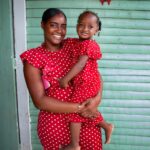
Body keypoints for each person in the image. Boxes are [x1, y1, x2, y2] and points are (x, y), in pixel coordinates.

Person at [20, 8, 103, 150]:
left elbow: (95, 74)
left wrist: (96, 100)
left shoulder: (74, 45)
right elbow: (40, 101)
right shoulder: (33, 57)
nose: (59, 30)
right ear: (42, 25)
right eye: (53, 25)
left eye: (63, 26)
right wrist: (80, 108)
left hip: (84, 121)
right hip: (55, 125)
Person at [59, 11, 114, 150]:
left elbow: (80, 64)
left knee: (75, 110)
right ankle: (106, 125)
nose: (85, 29)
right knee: (85, 110)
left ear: (97, 30)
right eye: (81, 25)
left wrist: (65, 79)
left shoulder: (89, 44)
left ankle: (74, 144)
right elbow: (64, 42)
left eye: (90, 27)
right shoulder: (77, 42)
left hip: (87, 84)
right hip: (85, 83)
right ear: (77, 26)